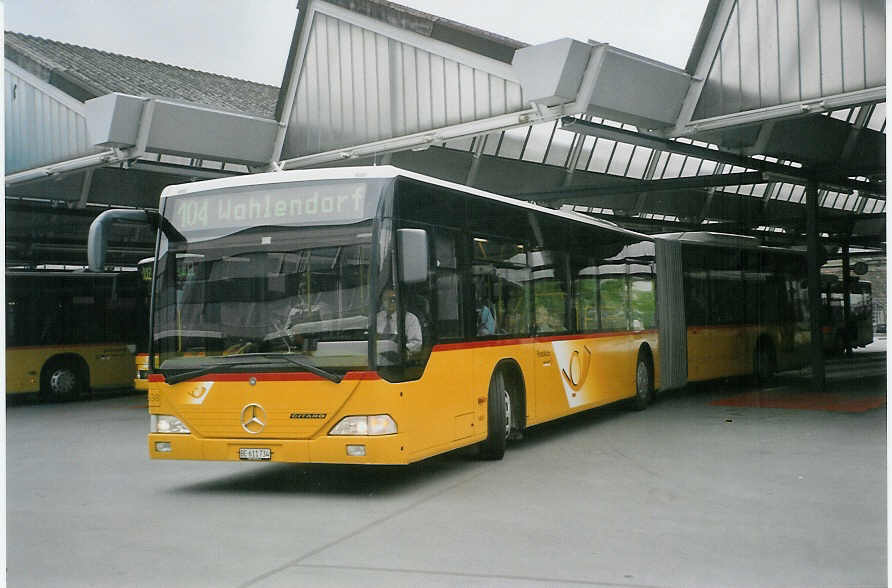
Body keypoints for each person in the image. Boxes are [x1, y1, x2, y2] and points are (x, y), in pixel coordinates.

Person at [376, 288, 422, 354]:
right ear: (382, 301)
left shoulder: (410, 319)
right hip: (376, 358)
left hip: (400, 358)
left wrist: (397, 349)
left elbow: (417, 344)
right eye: (386, 299)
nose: (389, 302)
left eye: (393, 299)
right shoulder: (377, 317)